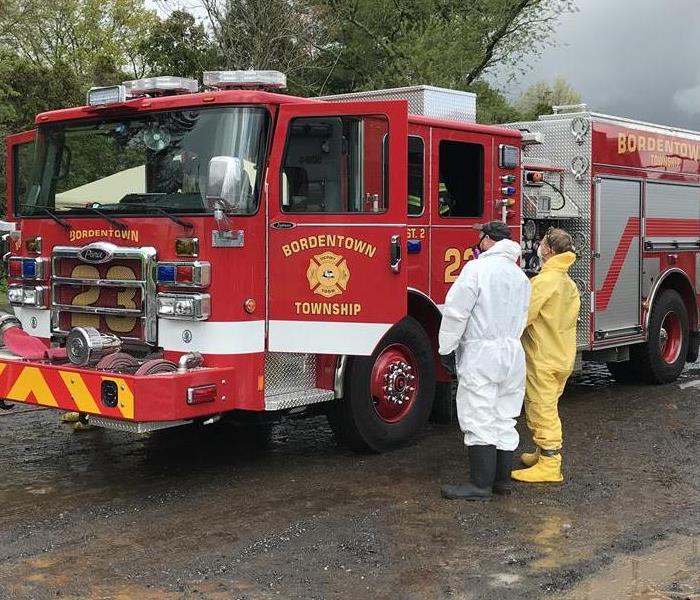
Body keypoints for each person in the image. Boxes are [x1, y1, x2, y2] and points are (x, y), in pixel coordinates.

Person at [439, 221, 530, 500]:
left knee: (478, 414)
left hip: (482, 353)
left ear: (489, 240)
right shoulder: (520, 275)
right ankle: (501, 481)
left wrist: (445, 349)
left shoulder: (476, 270)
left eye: (481, 237)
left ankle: (479, 485)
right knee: (505, 415)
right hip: (513, 353)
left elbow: (456, 313)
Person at [511, 227, 580, 483]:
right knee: (549, 404)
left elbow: (525, 315)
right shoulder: (567, 282)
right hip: (561, 355)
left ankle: (550, 463)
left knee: (542, 409)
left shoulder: (544, 282)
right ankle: (542, 453)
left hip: (543, 357)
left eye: (541, 242)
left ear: (549, 250)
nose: (538, 245)